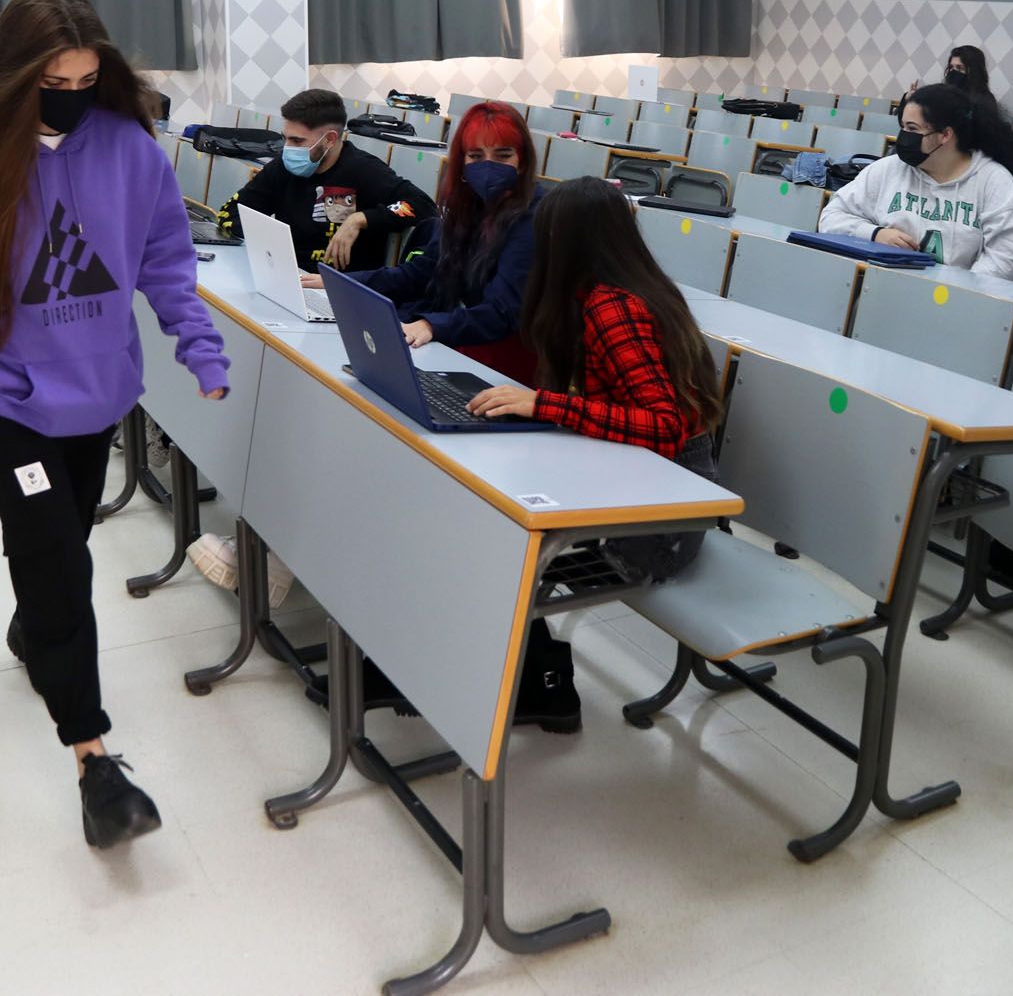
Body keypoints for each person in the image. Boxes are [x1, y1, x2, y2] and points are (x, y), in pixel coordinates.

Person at [0, 0, 229, 849]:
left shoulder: (131, 150)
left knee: (62, 535)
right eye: (51, 77)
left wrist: (198, 344)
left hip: (100, 390)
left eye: (85, 74)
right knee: (58, 555)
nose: (70, 88)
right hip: (6, 395)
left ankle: (35, 630)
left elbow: (167, 260)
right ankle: (94, 758)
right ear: (15, 74)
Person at [466, 176, 727, 731]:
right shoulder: (607, 291)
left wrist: (549, 405)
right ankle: (516, 681)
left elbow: (664, 428)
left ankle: (532, 687)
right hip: (635, 487)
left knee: (503, 544)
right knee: (490, 520)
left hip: (663, 527)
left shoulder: (615, 307)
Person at [305, 99, 542, 383]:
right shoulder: (466, 206)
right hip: (460, 335)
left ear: (523, 160)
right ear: (462, 161)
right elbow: (419, 273)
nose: (488, 166)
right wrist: (346, 281)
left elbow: (504, 311)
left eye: (503, 155)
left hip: (501, 359)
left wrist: (432, 325)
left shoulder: (534, 217)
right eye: (476, 156)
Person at [816, 82, 1013, 280]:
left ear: (945, 135)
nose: (903, 136)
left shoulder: (993, 182)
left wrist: (955, 293)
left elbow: (1006, 261)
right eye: (902, 126)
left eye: (912, 129)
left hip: (953, 305)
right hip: (882, 289)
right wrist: (875, 234)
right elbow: (831, 217)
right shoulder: (888, 169)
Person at [216, 88, 435, 272]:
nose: (288, 148)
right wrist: (272, 243)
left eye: (297, 140)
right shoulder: (282, 168)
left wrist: (360, 219)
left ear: (329, 139)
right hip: (285, 272)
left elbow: (422, 205)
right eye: (286, 139)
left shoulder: (364, 169)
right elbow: (230, 213)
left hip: (340, 287)